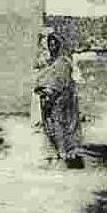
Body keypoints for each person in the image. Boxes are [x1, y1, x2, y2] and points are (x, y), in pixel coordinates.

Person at [35, 30, 86, 169]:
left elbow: (60, 81)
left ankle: (63, 155)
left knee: (60, 126)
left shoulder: (62, 62)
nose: (52, 48)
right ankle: (57, 153)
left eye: (54, 45)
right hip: (51, 97)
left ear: (59, 46)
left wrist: (49, 92)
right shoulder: (51, 62)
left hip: (61, 99)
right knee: (51, 126)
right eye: (49, 44)